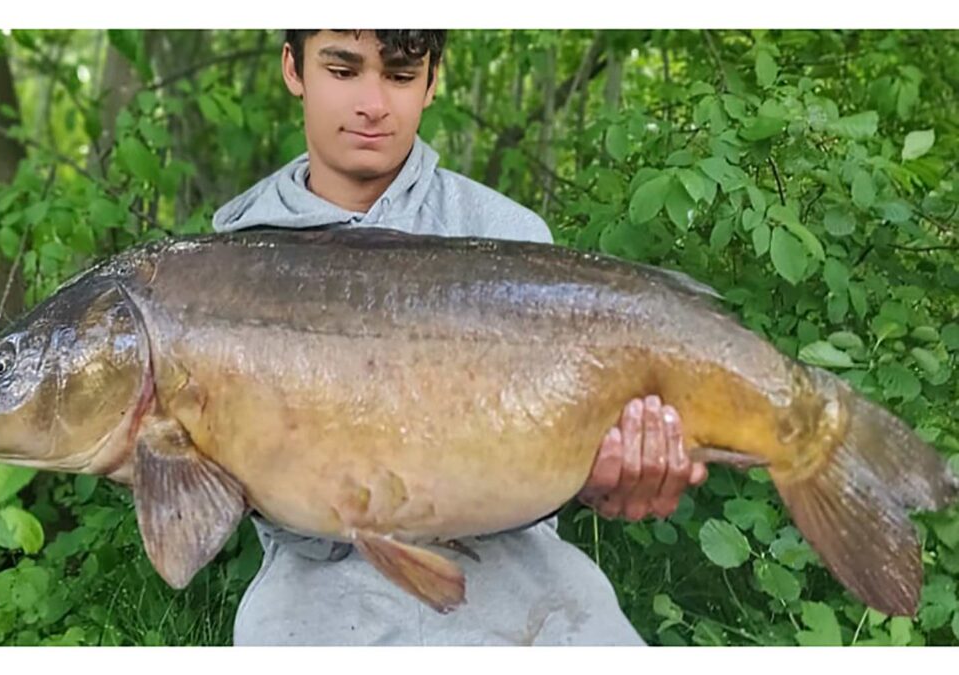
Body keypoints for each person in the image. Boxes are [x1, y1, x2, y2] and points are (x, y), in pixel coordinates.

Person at [212, 29, 707, 646]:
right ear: (294, 68)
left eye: (399, 76)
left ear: (432, 81)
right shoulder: (233, 263)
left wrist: (602, 475)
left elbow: (552, 453)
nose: (372, 104)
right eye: (343, 71)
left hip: (514, 566)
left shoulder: (509, 236)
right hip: (316, 576)